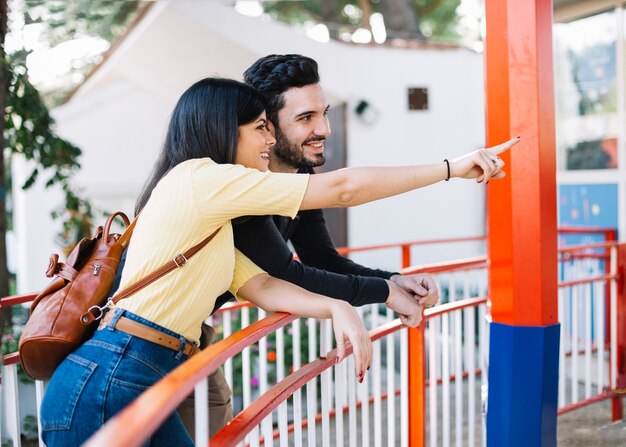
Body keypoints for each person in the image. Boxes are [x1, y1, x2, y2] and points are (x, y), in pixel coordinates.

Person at [39, 76, 514, 445]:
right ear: (225, 129)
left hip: (146, 369)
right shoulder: (200, 179)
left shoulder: (217, 221)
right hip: (112, 373)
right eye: (260, 128)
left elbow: (264, 285)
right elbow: (344, 188)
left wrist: (337, 307)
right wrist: (451, 168)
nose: (269, 140)